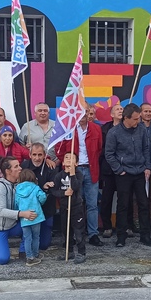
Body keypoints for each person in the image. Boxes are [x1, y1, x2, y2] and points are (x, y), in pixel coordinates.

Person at [104, 103, 151, 248]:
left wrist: (147, 167)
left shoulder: (142, 129)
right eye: (135, 119)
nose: (138, 121)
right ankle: (121, 236)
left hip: (140, 172)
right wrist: (119, 170)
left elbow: (146, 149)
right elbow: (109, 154)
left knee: (143, 204)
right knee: (123, 205)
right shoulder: (114, 133)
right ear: (126, 118)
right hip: (123, 174)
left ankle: (145, 236)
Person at [54, 104, 104, 247]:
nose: (83, 115)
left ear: (89, 113)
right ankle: (74, 235)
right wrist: (68, 163)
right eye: (80, 112)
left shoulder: (96, 129)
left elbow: (99, 149)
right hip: (73, 171)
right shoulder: (68, 129)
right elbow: (59, 149)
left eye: (85, 112)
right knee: (73, 204)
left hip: (90, 169)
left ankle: (93, 234)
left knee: (92, 204)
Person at [0, 156, 38, 265]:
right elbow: (1, 211)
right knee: (2, 259)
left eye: (19, 165)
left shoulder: (20, 185)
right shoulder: (0, 187)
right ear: (8, 171)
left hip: (13, 225)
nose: (20, 168)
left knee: (33, 223)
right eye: (16, 166)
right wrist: (22, 214)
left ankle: (24, 251)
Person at [21, 142, 59, 252]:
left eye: (40, 155)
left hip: (46, 209)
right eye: (34, 154)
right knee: (28, 238)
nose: (37, 158)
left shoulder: (51, 168)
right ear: (30, 155)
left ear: (44, 155)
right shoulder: (23, 167)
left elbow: (53, 189)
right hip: (29, 210)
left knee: (43, 245)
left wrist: (46, 189)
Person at [50, 152, 87, 264]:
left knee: (78, 231)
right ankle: (69, 251)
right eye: (66, 157)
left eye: (71, 158)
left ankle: (81, 252)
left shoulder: (79, 174)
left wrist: (72, 174)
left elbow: (75, 186)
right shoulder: (59, 176)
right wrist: (63, 193)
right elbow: (54, 190)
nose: (68, 159)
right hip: (64, 207)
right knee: (66, 230)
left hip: (76, 207)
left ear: (76, 163)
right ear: (62, 162)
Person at [0, 124, 30, 198]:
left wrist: (46, 158)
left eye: (10, 135)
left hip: (14, 187)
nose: (7, 138)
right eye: (5, 135)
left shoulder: (17, 147)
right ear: (0, 137)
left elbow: (32, 156)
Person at [99, 103, 123, 237]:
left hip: (124, 169)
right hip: (108, 169)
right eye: (117, 109)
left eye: (122, 109)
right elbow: (100, 148)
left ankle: (123, 227)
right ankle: (107, 226)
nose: (120, 111)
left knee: (124, 200)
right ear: (112, 114)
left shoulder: (128, 128)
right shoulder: (104, 129)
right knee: (106, 199)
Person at [15, 168, 47, 266]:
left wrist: (19, 212)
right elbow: (42, 197)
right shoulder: (35, 187)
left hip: (24, 218)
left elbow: (16, 203)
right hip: (36, 216)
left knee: (27, 238)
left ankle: (29, 257)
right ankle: (35, 254)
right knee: (36, 236)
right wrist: (40, 203)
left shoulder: (17, 189)